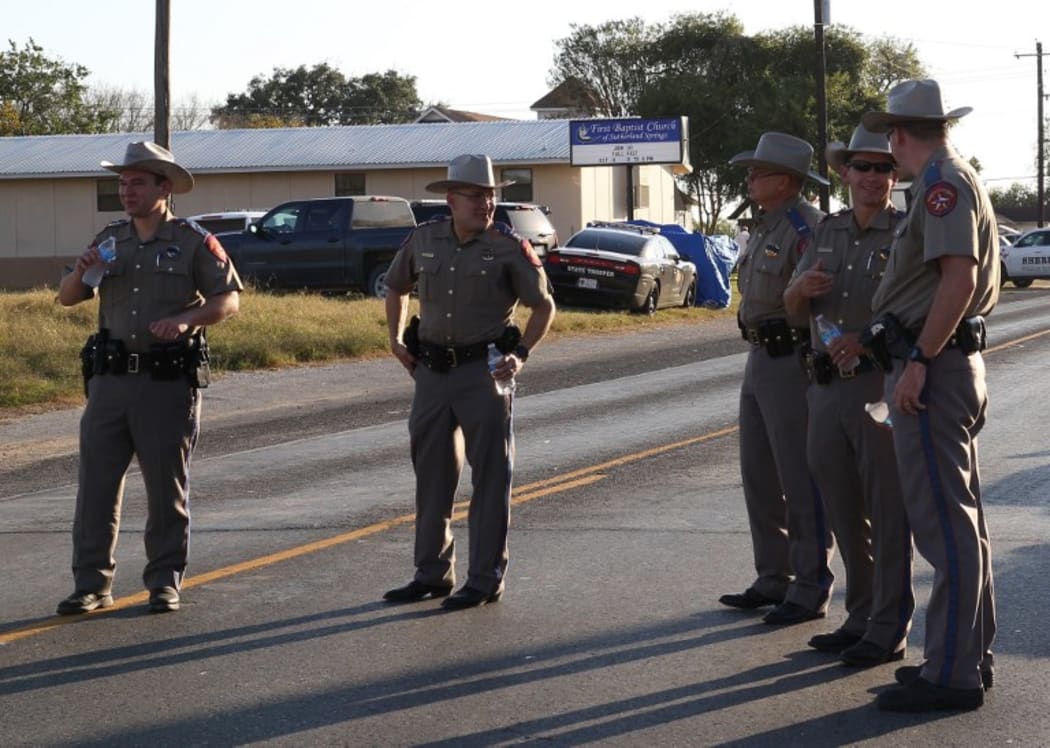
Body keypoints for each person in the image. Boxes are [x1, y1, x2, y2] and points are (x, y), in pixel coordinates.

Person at [55, 141, 242, 615]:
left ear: (165, 188)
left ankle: (163, 581)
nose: (126, 190)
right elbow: (68, 297)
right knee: (96, 488)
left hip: (164, 383)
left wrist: (188, 319)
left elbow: (228, 300)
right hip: (110, 383)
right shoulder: (110, 238)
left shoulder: (193, 241)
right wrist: (79, 274)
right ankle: (92, 584)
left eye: (137, 182)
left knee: (165, 488)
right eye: (122, 182)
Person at [862, 79, 999, 712]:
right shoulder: (948, 178)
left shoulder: (943, 183)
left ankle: (952, 673)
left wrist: (919, 359)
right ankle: (964, 658)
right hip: (942, 365)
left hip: (934, 368)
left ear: (897, 136)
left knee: (945, 527)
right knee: (960, 523)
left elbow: (958, 278)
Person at [382, 154, 556, 611]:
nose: (487, 203)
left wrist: (520, 355)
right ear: (452, 199)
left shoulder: (507, 247)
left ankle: (484, 579)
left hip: (485, 373)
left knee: (491, 477)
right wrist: (396, 339)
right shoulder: (425, 239)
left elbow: (543, 306)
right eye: (477, 195)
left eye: (492, 195)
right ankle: (432, 573)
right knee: (432, 477)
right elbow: (396, 285)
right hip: (432, 373)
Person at [783, 125, 914, 667]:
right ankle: (859, 617)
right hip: (824, 389)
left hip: (876, 384)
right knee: (842, 509)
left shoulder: (908, 233)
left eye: (883, 167)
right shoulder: (826, 232)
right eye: (862, 167)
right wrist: (797, 292)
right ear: (845, 173)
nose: (872, 177)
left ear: (894, 175)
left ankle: (888, 628)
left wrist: (869, 339)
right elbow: (795, 310)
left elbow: (916, 311)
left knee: (886, 511)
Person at [720, 132, 834, 625]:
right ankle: (773, 576)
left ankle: (810, 587)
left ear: (785, 181)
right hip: (759, 357)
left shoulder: (807, 227)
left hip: (792, 360)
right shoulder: (766, 226)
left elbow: (818, 302)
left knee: (798, 477)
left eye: (757, 171)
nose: (749, 178)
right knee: (759, 475)